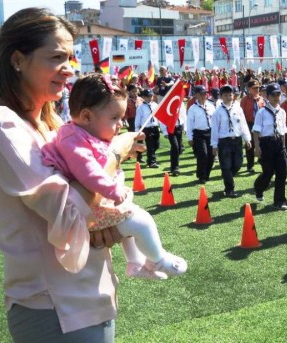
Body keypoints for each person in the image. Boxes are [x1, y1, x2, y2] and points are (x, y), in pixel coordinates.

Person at [0, 7, 144, 340]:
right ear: (17, 59)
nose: (68, 69)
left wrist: (107, 226)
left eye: (69, 57)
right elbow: (67, 212)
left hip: (89, 294)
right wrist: (116, 151)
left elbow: (89, 209)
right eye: (56, 57)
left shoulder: (51, 125)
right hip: (53, 307)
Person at [42, 73, 187, 280]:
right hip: (92, 209)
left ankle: (135, 263)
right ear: (86, 116)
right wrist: (113, 189)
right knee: (142, 221)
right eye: (114, 118)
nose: (120, 124)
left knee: (129, 221)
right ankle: (158, 259)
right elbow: (88, 172)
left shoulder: (83, 133)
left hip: (94, 205)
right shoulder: (72, 139)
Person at [253, 83, 287, 210]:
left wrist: (284, 147)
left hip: (279, 144)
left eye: (278, 94)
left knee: (282, 173)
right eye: (273, 94)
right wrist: (257, 147)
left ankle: (279, 201)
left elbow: (283, 131)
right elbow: (256, 131)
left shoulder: (282, 112)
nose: (276, 97)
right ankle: (259, 187)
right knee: (268, 173)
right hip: (266, 144)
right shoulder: (261, 112)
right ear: (267, 96)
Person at [210, 85, 252, 197]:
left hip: (237, 140)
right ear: (221, 97)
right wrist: (214, 145)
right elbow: (214, 129)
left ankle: (227, 176)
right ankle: (229, 189)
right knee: (226, 165)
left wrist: (247, 138)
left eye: (230, 95)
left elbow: (243, 124)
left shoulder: (238, 109)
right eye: (226, 95)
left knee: (238, 164)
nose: (229, 97)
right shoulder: (217, 112)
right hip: (224, 141)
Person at [187, 85, 216, 183]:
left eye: (205, 94)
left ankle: (207, 174)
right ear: (196, 95)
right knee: (203, 154)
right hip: (199, 134)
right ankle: (201, 175)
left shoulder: (211, 105)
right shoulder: (193, 108)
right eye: (201, 94)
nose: (204, 96)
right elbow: (190, 123)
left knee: (211, 155)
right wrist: (190, 137)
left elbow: (215, 120)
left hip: (210, 132)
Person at [240, 80, 264, 173]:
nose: (256, 89)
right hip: (249, 124)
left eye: (257, 88)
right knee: (250, 145)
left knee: (262, 144)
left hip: (260, 125)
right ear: (249, 89)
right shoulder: (245, 100)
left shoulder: (261, 99)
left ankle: (262, 161)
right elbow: (241, 114)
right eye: (254, 88)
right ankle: (250, 165)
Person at [135, 89, 161, 168]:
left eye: (151, 96)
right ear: (143, 97)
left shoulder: (155, 105)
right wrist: (137, 131)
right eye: (148, 96)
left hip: (155, 127)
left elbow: (158, 116)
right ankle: (152, 162)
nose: (150, 98)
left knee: (157, 144)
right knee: (150, 146)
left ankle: (149, 158)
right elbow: (138, 119)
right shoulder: (141, 108)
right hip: (146, 128)